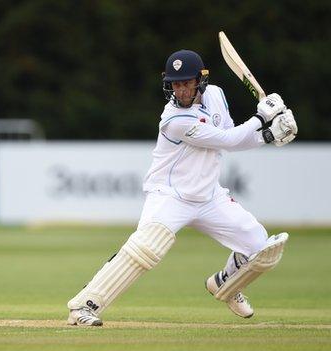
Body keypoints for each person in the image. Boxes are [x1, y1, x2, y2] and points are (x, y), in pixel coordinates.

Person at [66, 50, 298, 326]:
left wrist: (269, 135)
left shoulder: (215, 95)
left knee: (260, 247)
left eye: (187, 82)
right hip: (170, 195)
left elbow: (231, 139)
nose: (182, 89)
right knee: (147, 247)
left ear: (200, 80)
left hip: (209, 196)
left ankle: (226, 284)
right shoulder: (174, 120)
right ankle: (83, 306)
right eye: (176, 84)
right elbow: (228, 138)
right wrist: (262, 118)